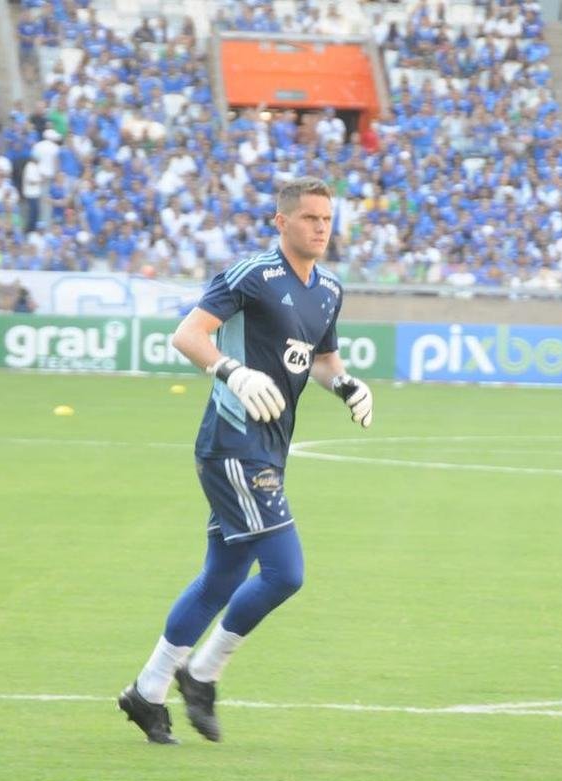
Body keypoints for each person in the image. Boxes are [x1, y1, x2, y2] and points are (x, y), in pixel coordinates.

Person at [117, 177, 374, 745]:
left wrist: (347, 385)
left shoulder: (328, 288)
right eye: (309, 218)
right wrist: (232, 370)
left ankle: (148, 690)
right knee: (286, 572)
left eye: (327, 219)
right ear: (281, 223)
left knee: (223, 577)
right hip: (233, 443)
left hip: (270, 450)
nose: (321, 227)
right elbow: (188, 336)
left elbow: (323, 359)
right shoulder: (251, 275)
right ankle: (202, 674)